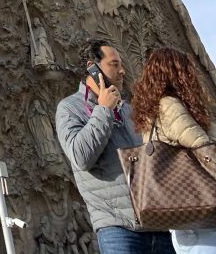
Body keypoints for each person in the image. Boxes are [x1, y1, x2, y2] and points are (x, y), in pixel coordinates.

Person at [55, 37, 175, 254]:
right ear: (93, 69)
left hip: (156, 224)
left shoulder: (128, 110)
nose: (122, 72)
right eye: (114, 64)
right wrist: (103, 111)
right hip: (117, 227)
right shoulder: (69, 108)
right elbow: (80, 156)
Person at [132, 47, 216, 254]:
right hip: (201, 214)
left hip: (186, 214)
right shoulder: (169, 105)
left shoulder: (152, 110)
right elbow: (202, 147)